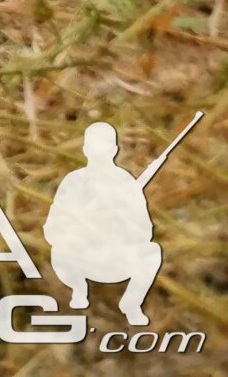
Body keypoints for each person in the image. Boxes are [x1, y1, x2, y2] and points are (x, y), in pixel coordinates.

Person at [45, 121, 165, 326]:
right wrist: (80, 228)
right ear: (85, 150)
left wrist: (122, 221)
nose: (100, 152)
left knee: (152, 252)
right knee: (59, 251)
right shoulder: (74, 182)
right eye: (94, 147)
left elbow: (145, 230)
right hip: (80, 257)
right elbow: (52, 228)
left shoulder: (126, 183)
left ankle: (131, 303)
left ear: (114, 150)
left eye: (104, 146)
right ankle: (79, 290)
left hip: (116, 258)